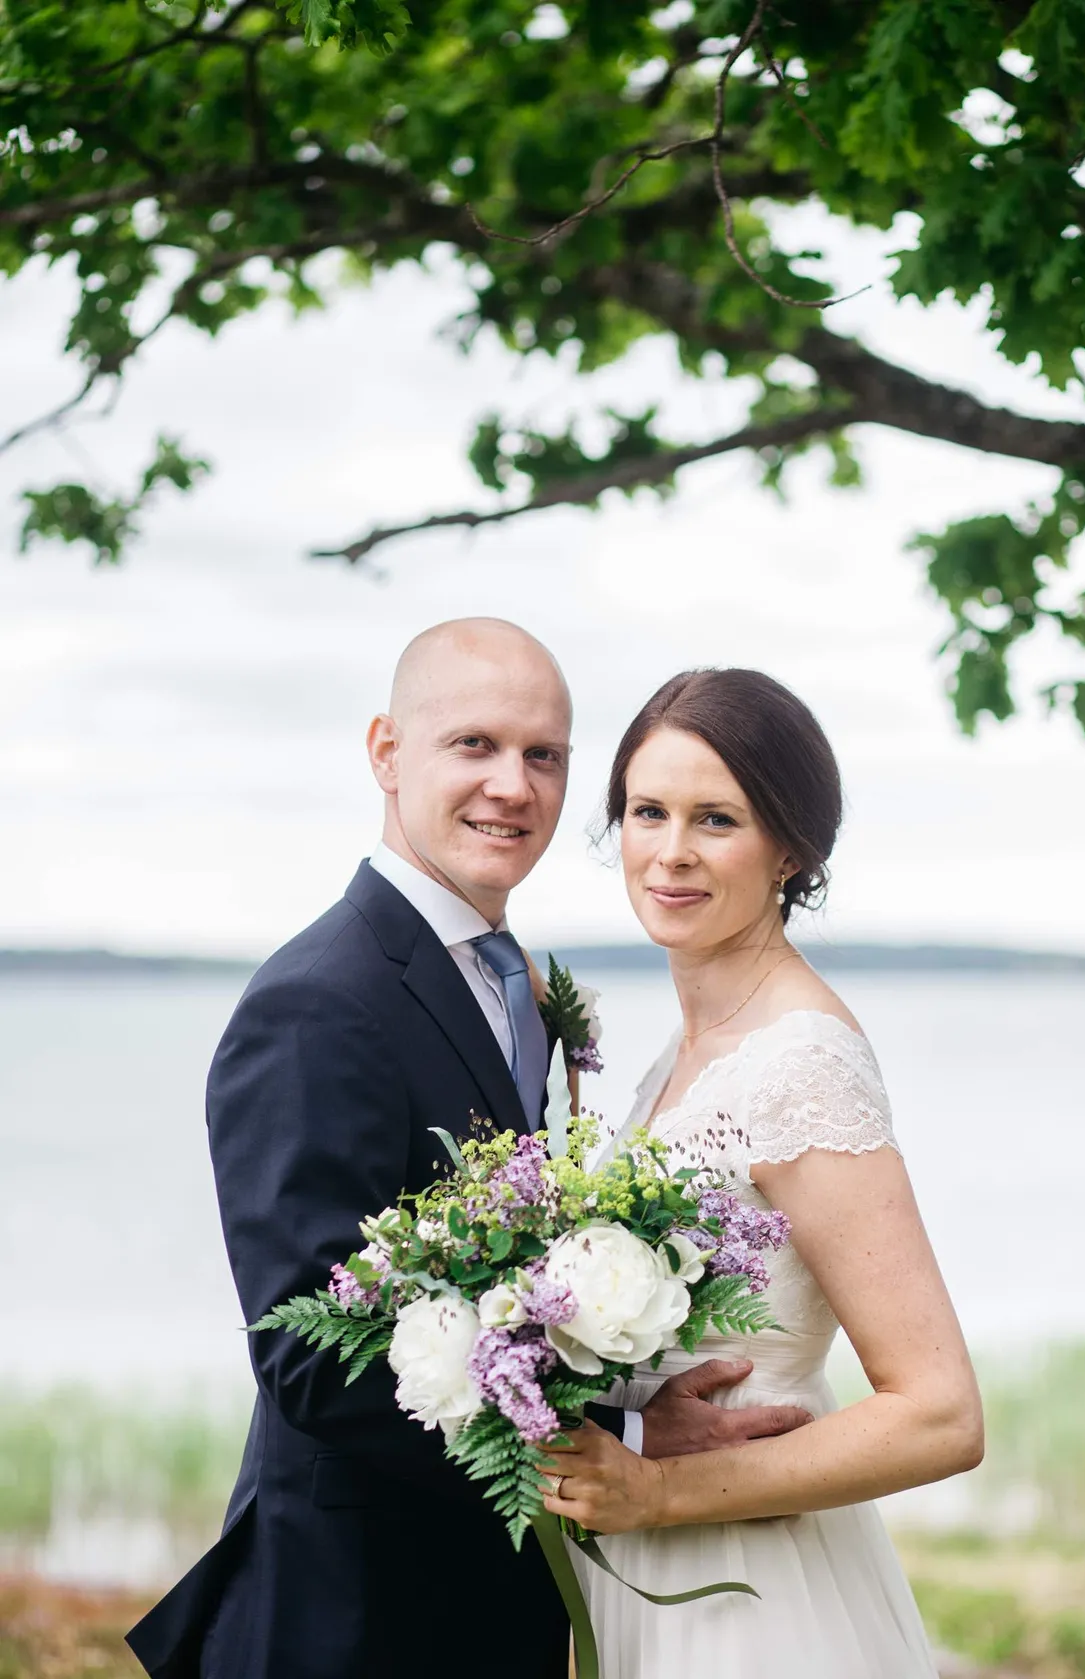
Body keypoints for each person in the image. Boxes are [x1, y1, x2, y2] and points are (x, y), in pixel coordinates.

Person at [127, 622, 812, 1679]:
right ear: (387, 752)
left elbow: (522, 1288)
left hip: (488, 1609)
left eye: (545, 755)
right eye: (475, 744)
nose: (513, 785)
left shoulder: (515, 986)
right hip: (354, 1617)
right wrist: (621, 1448)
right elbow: (313, 1359)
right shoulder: (318, 1000)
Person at [541, 667, 985, 1679]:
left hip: (749, 1591)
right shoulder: (684, 1052)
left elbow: (941, 1410)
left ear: (791, 848)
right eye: (648, 811)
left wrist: (660, 1494)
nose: (672, 851)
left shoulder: (800, 1060)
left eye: (717, 818)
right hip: (650, 1581)